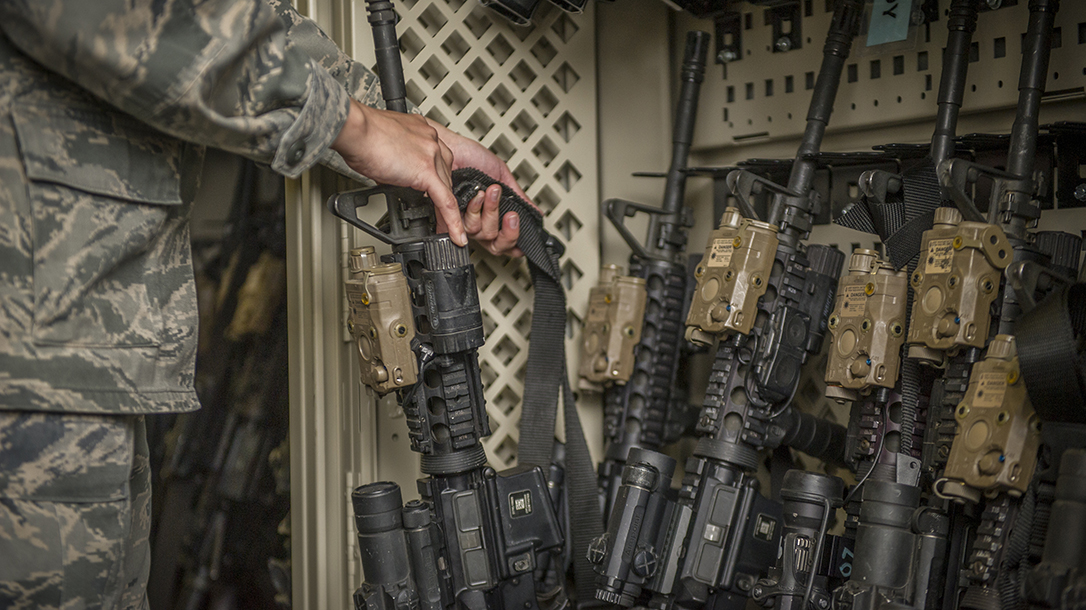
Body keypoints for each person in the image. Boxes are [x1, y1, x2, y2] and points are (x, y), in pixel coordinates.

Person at [0, 0, 529, 607]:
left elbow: (226, 16)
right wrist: (354, 127)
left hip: (71, 343)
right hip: (38, 348)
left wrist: (414, 138)